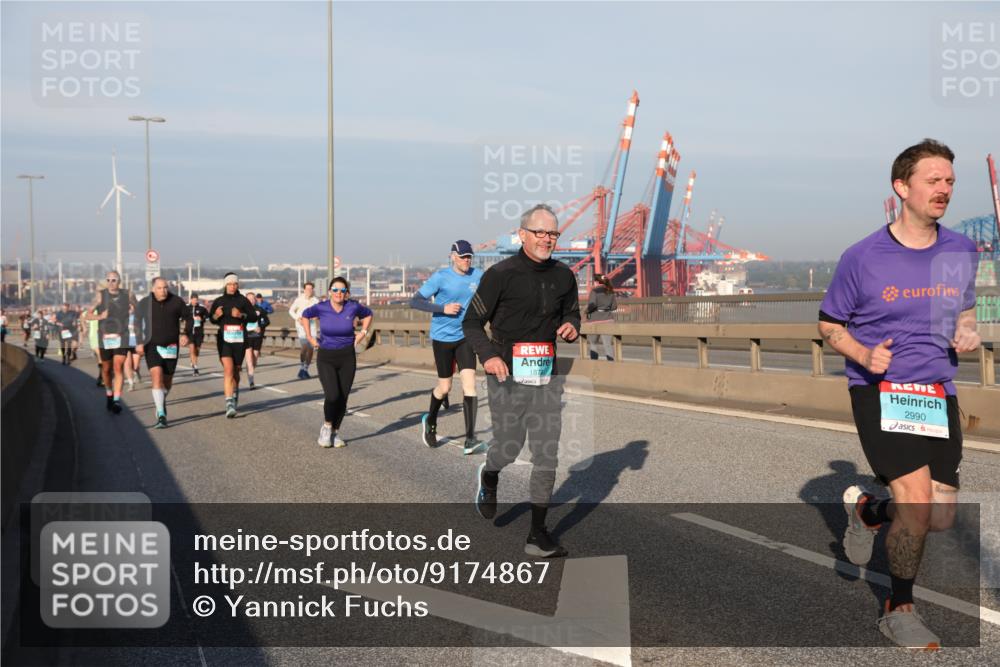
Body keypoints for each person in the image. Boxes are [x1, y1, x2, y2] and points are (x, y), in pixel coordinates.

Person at [819, 139, 979, 649]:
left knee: (940, 515)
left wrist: (969, 329)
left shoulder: (960, 250)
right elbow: (829, 324)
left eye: (950, 181)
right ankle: (898, 607)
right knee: (914, 505)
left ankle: (867, 511)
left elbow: (965, 309)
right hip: (880, 390)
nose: (944, 189)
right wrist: (864, 356)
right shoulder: (862, 257)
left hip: (936, 391)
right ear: (901, 187)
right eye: (933, 180)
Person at [463, 203, 581, 558]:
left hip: (545, 376)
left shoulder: (564, 275)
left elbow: (572, 311)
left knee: (547, 452)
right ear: (523, 234)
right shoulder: (501, 274)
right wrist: (490, 355)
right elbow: (470, 322)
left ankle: (537, 533)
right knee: (510, 447)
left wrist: (573, 325)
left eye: (553, 233)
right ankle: (490, 473)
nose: (547, 239)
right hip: (506, 374)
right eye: (541, 233)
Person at [410, 240, 485, 453]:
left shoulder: (478, 276)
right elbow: (415, 301)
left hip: (466, 337)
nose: (466, 260)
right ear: (453, 256)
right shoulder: (441, 277)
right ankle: (431, 420)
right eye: (462, 257)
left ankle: (470, 439)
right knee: (445, 387)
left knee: (470, 385)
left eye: (469, 256)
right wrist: (442, 308)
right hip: (442, 338)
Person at [301, 277, 373, 449]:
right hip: (326, 356)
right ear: (329, 292)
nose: (338, 293)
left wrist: (362, 332)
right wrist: (310, 337)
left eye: (342, 290)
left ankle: (335, 433)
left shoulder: (353, 306)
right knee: (332, 395)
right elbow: (305, 315)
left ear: (347, 293)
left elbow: (369, 314)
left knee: (343, 397)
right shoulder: (322, 307)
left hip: (347, 356)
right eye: (335, 290)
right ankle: (326, 427)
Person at [135, 277, 188, 428]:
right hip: (152, 345)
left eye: (165, 287)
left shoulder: (176, 302)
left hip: (171, 346)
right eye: (159, 288)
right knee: (156, 376)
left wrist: (186, 334)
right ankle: (161, 415)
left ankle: (161, 399)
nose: (163, 290)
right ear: (153, 289)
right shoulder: (145, 303)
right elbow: (137, 322)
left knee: (167, 381)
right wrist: (139, 341)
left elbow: (188, 317)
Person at [84, 271, 138, 414]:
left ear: (119, 281)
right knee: (106, 370)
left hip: (122, 336)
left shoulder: (128, 294)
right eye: (108, 280)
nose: (111, 282)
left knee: (118, 367)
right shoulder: (100, 296)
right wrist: (100, 316)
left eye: (114, 280)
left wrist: (135, 313)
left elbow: (140, 311)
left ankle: (116, 400)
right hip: (105, 337)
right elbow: (87, 315)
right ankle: (109, 393)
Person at [208, 273, 257, 418]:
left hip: (240, 340)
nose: (232, 286)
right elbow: (212, 319)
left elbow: (254, 317)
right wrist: (216, 315)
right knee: (228, 370)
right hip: (224, 339)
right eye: (229, 284)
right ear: (225, 285)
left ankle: (234, 395)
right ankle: (229, 403)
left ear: (238, 285)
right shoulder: (219, 301)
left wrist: (241, 315)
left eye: (235, 284)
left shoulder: (243, 301)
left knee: (236, 371)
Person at [288, 282, 319, 379]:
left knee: (311, 349)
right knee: (305, 346)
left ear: (312, 290)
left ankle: (305, 369)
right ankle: (302, 366)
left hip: (312, 326)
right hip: (301, 326)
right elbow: (291, 311)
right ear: (304, 290)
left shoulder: (315, 301)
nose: (309, 291)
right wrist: (298, 318)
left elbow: (320, 312)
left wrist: (316, 317)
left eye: (311, 289)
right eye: (307, 289)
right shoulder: (299, 300)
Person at [586, 273, 618, 361]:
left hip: (594, 320)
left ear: (596, 282)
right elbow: (614, 307)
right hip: (608, 320)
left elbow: (592, 305)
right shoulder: (610, 291)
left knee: (593, 344)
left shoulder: (594, 291)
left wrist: (586, 311)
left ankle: (594, 363)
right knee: (607, 345)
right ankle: (611, 364)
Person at [244, 292, 270, 389]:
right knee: (249, 359)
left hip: (257, 337)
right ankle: (251, 382)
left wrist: (261, 326)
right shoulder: (243, 310)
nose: (251, 300)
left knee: (254, 359)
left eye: (253, 298)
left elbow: (267, 321)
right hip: (247, 337)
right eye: (249, 299)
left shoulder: (260, 310)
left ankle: (250, 372)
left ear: (255, 299)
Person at [181, 293, 210, 375]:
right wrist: (185, 321)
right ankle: (196, 368)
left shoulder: (202, 308)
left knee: (197, 350)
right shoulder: (186, 308)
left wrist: (201, 318)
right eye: (193, 299)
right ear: (191, 299)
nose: (195, 301)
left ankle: (192, 361)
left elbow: (208, 317)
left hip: (199, 332)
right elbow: (182, 318)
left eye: (196, 299)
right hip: (189, 332)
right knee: (192, 348)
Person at [86, 306, 103, 386]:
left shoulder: (107, 308)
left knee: (103, 357)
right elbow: (83, 316)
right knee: (100, 355)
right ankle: (101, 376)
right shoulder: (92, 309)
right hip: (94, 336)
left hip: (106, 335)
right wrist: (84, 327)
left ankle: (102, 376)